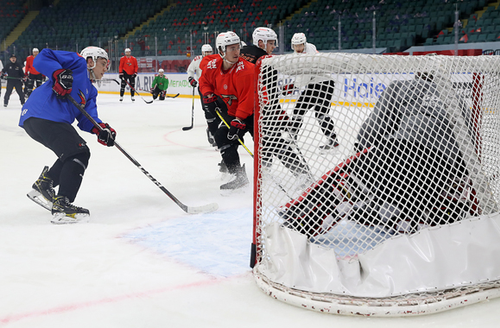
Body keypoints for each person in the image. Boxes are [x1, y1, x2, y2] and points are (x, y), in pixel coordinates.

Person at [280, 72, 473, 237]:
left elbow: (373, 130)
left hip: (396, 152)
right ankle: (405, 214)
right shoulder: (457, 100)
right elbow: (470, 146)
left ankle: (302, 219)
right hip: (440, 170)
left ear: (417, 77)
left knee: (349, 181)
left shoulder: (403, 87)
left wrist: (363, 158)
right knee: (413, 195)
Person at [20, 46, 116, 224]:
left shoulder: (91, 91)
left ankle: (45, 184)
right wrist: (59, 73)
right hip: (43, 114)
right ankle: (62, 203)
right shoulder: (78, 64)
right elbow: (42, 57)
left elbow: (87, 118)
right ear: (90, 61)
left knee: (72, 152)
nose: (106, 69)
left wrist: (102, 130)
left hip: (41, 120)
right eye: (103, 64)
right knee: (79, 152)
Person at [241, 27, 312, 183]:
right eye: (271, 43)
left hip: (239, 109)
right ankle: (301, 173)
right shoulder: (267, 60)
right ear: (261, 42)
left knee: (260, 141)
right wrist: (278, 113)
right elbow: (270, 94)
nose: (274, 47)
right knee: (274, 140)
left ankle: (245, 171)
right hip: (260, 110)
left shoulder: (241, 52)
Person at [198, 31, 255, 190]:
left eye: (238, 47)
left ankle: (300, 174)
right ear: (221, 50)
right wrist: (208, 95)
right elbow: (204, 81)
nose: (237, 52)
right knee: (222, 136)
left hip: (257, 113)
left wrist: (239, 120)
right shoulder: (213, 65)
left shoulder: (246, 70)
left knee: (271, 145)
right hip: (236, 113)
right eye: (232, 48)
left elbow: (248, 99)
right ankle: (239, 177)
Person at [288, 32, 339, 151]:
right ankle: (292, 137)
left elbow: (306, 75)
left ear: (304, 44)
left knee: (320, 113)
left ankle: (333, 141)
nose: (298, 48)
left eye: (300, 45)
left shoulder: (308, 54)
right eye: (296, 46)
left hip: (324, 84)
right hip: (314, 84)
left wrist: (293, 86)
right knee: (299, 110)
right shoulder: (306, 49)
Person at [186, 44, 216, 147]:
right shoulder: (197, 59)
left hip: (215, 87)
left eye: (209, 52)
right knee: (207, 109)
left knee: (216, 109)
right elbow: (190, 70)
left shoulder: (215, 59)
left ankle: (215, 129)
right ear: (202, 52)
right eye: (206, 52)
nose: (208, 54)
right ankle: (211, 129)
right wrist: (191, 79)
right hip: (203, 88)